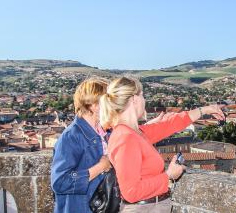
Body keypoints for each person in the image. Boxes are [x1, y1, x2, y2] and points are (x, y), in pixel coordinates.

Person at [99, 76, 224, 212]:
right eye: (142, 96)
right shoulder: (126, 138)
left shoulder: (137, 133)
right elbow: (131, 191)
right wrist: (168, 175)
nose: (144, 100)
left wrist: (204, 110)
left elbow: (170, 124)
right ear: (134, 99)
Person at [50, 77, 112, 213]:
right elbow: (60, 182)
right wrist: (100, 167)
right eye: (109, 101)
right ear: (94, 106)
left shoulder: (105, 133)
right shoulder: (71, 137)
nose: (113, 106)